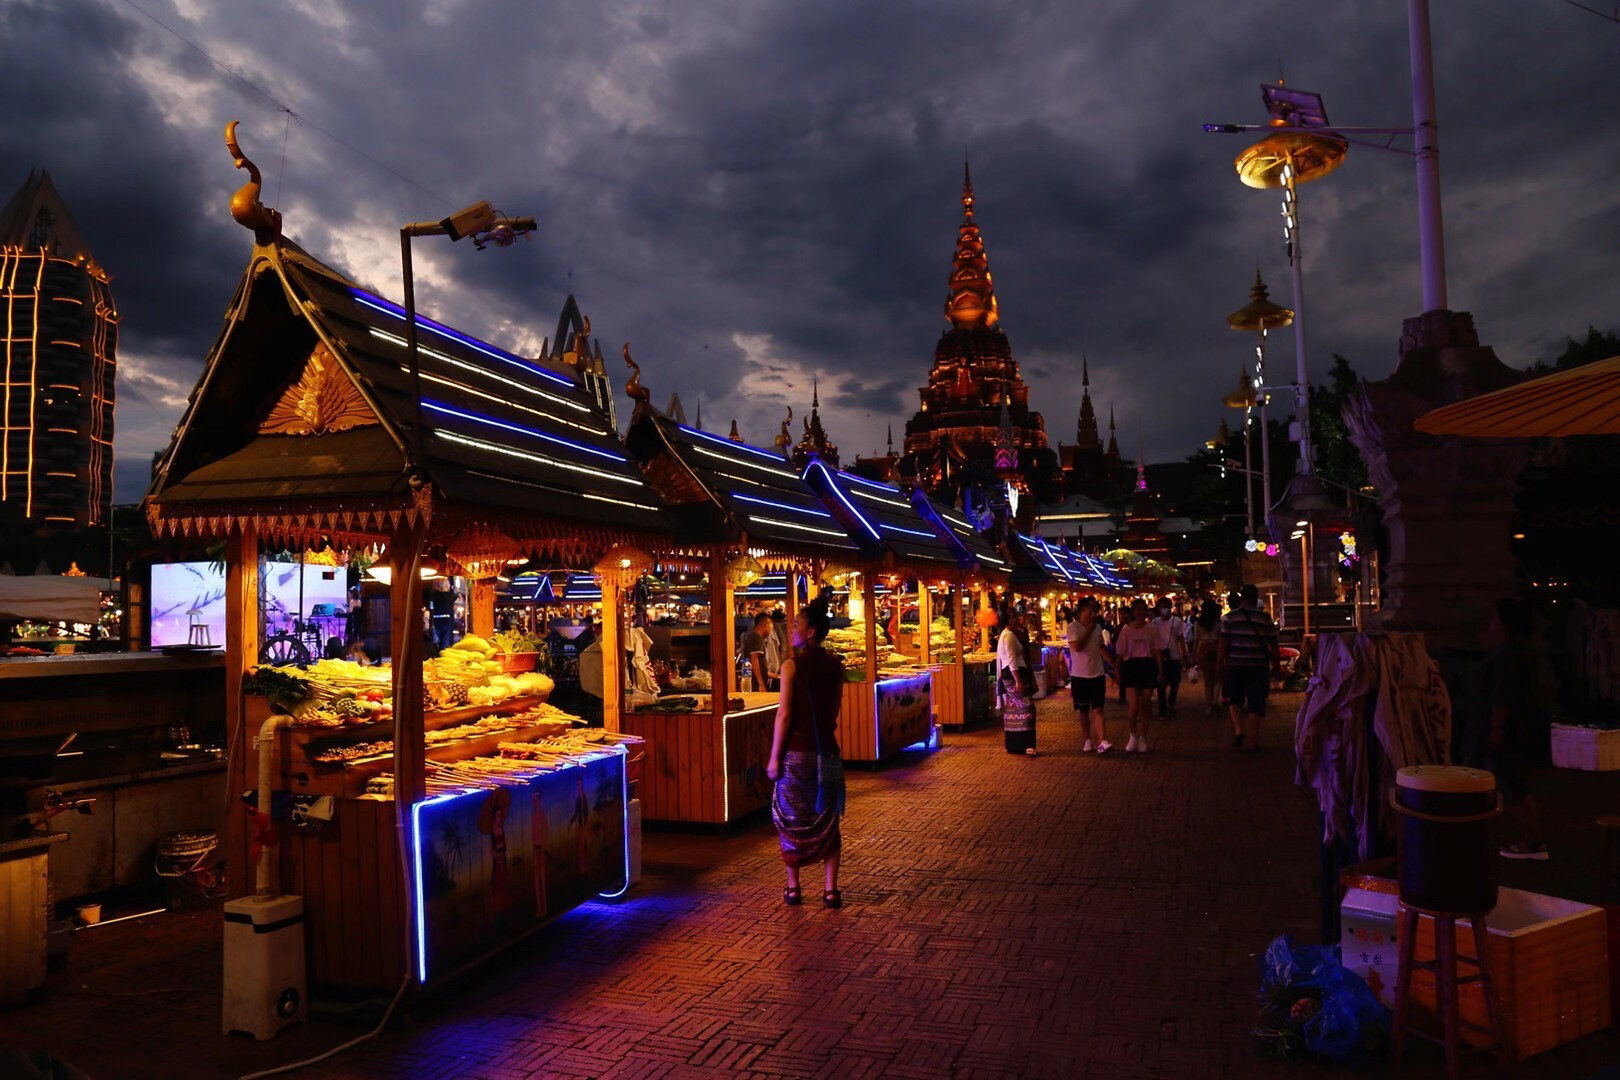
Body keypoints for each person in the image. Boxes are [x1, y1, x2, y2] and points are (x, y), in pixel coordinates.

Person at [766, 593, 847, 907]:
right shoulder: (836, 667)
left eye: (796, 623)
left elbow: (784, 714)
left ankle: (794, 886)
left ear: (810, 631)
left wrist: (774, 757)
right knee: (827, 817)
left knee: (791, 818)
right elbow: (834, 711)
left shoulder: (790, 667)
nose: (792, 627)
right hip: (826, 752)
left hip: (796, 754)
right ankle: (830, 889)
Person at [1486, 597, 1550, 859]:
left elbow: (1503, 695)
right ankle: (1531, 840)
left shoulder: (1508, 654)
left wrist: (1496, 729)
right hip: (1523, 728)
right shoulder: (1524, 651)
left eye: (1495, 617)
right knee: (1514, 783)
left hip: (1512, 731)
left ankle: (1534, 842)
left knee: (1514, 785)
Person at [1219, 584, 1279, 750]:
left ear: (1241, 598)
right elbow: (1274, 645)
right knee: (1256, 703)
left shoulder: (1230, 618)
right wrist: (1277, 665)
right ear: (1256, 597)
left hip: (1235, 664)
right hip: (1259, 666)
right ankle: (1252, 742)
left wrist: (1221, 663)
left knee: (1235, 699)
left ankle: (1238, 729)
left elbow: (1223, 644)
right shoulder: (1265, 618)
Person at [1114, 599, 1160, 752]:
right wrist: (1117, 670)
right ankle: (1133, 734)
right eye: (1138, 609)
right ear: (1133, 612)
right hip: (1131, 667)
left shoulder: (1152, 629)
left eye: (1143, 609)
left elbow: (1157, 651)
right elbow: (1120, 653)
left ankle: (1143, 738)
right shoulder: (1126, 630)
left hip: (1147, 665)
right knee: (1133, 707)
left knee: (1146, 704)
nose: (1141, 612)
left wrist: (1160, 670)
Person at [1066, 597, 1111, 753]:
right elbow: (1077, 646)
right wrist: (1089, 630)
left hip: (1097, 674)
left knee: (1098, 709)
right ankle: (1087, 740)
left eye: (1095, 610)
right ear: (1083, 609)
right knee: (1083, 709)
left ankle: (1102, 741)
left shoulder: (1097, 627)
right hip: (1079, 676)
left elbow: (1101, 648)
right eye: (1091, 609)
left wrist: (1114, 665)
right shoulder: (1073, 627)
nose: (1093, 613)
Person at [997, 610, 1038, 756]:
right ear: (1010, 620)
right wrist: (1018, 680)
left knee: (1014, 709)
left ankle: (1016, 744)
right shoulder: (1008, 635)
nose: (1018, 620)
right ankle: (1026, 744)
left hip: (1013, 674)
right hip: (1015, 675)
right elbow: (1011, 659)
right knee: (1026, 709)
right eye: (1015, 617)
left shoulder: (1008, 634)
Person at [1152, 598, 1187, 719]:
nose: (1165, 609)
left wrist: (1184, 655)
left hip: (1174, 656)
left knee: (1175, 683)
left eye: (1167, 606)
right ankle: (1162, 710)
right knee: (1161, 684)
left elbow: (1181, 639)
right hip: (1159, 657)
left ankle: (1171, 703)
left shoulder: (1177, 621)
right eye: (1163, 606)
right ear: (1159, 608)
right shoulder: (1154, 622)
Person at [1192, 599, 1223, 716]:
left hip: (1203, 650)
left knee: (1207, 680)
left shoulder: (1198, 623)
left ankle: (1208, 706)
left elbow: (1196, 641)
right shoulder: (1219, 623)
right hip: (1216, 649)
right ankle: (1215, 700)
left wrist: (1193, 656)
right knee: (1217, 677)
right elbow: (1221, 639)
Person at [738, 611, 772, 692]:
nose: (771, 631)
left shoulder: (753, 636)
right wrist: (761, 684)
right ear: (765, 626)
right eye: (771, 628)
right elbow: (754, 659)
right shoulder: (756, 637)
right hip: (755, 685)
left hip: (755, 683)